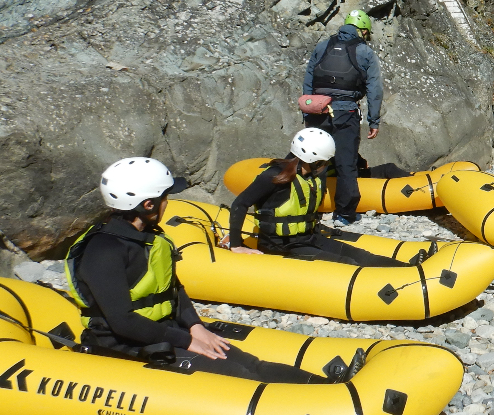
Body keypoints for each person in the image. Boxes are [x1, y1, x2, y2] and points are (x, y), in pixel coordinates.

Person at [66, 157, 352, 382]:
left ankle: (329, 387)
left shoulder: (149, 238)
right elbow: (123, 323)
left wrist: (195, 326)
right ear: (148, 204)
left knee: (249, 363)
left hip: (164, 331)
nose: (169, 203)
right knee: (241, 377)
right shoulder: (103, 251)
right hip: (123, 346)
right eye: (165, 197)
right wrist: (186, 340)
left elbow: (174, 290)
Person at [222, 129, 418, 268]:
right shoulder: (273, 176)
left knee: (359, 255)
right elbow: (240, 204)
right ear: (314, 160)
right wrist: (237, 245)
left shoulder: (309, 176)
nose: (326, 166)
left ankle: (411, 271)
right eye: (325, 162)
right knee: (348, 264)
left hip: (308, 237)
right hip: (281, 245)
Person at [303, 9, 383, 225]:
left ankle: (305, 208)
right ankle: (344, 214)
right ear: (363, 31)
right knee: (345, 162)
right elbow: (374, 89)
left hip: (317, 112)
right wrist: (373, 121)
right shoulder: (365, 52)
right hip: (344, 113)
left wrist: (307, 110)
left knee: (311, 161)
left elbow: (308, 78)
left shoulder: (323, 46)